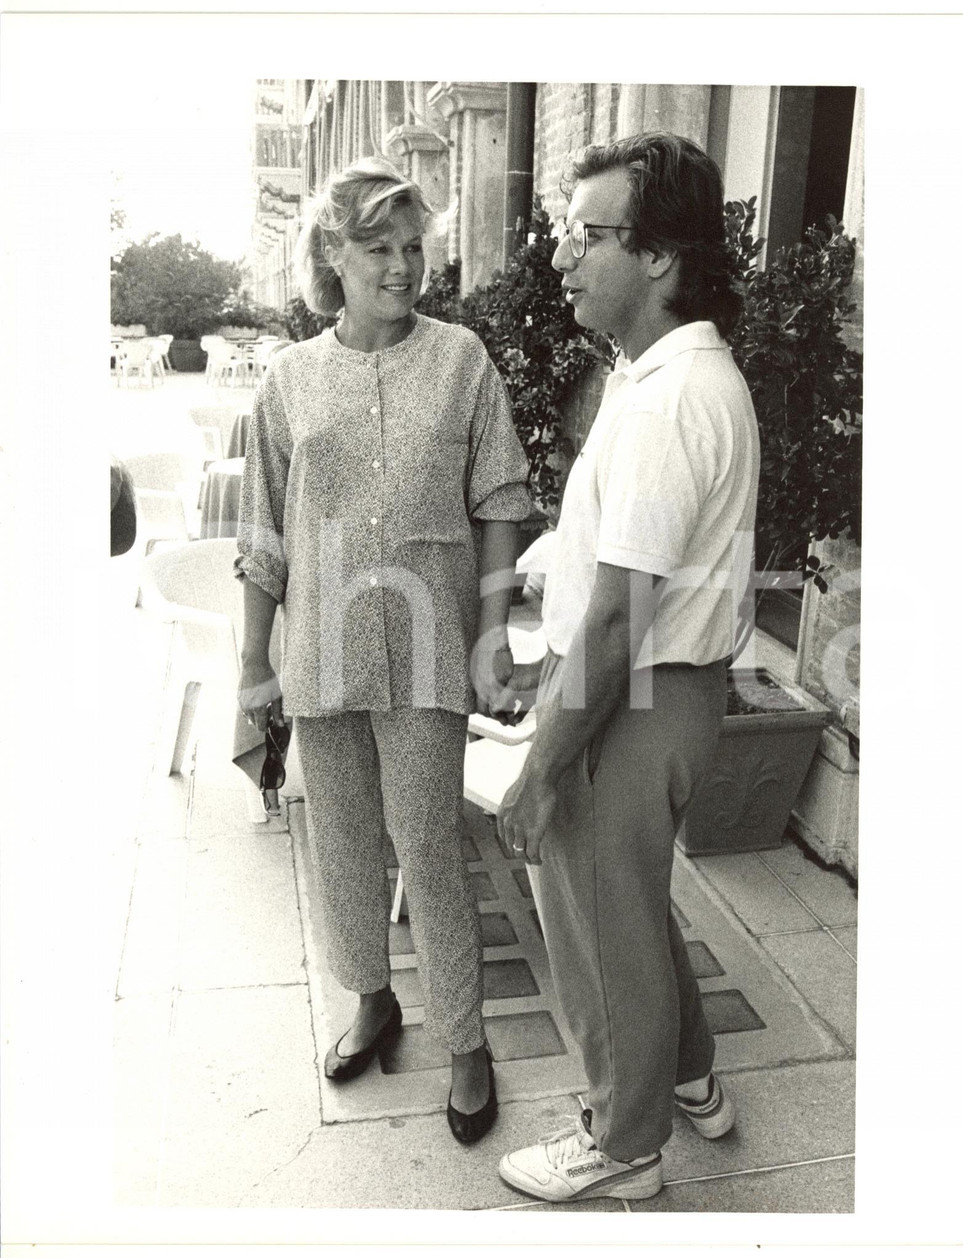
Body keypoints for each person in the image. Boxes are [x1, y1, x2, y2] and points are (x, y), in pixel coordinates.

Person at [235, 156, 532, 1144]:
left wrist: (490, 627)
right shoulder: (287, 381)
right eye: (379, 248)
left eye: (413, 248)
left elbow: (497, 505)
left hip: (429, 652)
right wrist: (250, 664)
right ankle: (370, 999)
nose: (403, 267)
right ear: (332, 256)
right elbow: (264, 535)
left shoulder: (461, 363)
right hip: (321, 651)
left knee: (432, 853)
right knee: (345, 852)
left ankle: (466, 1039)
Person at [494, 132, 760, 1202]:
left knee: (600, 927)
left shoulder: (662, 402)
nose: (562, 256)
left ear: (658, 257)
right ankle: (688, 1074)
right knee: (633, 906)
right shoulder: (669, 375)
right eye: (566, 231)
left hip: (635, 697)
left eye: (588, 234)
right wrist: (548, 575)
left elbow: (616, 621)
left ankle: (623, 1141)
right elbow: (620, 558)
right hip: (669, 692)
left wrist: (542, 768)